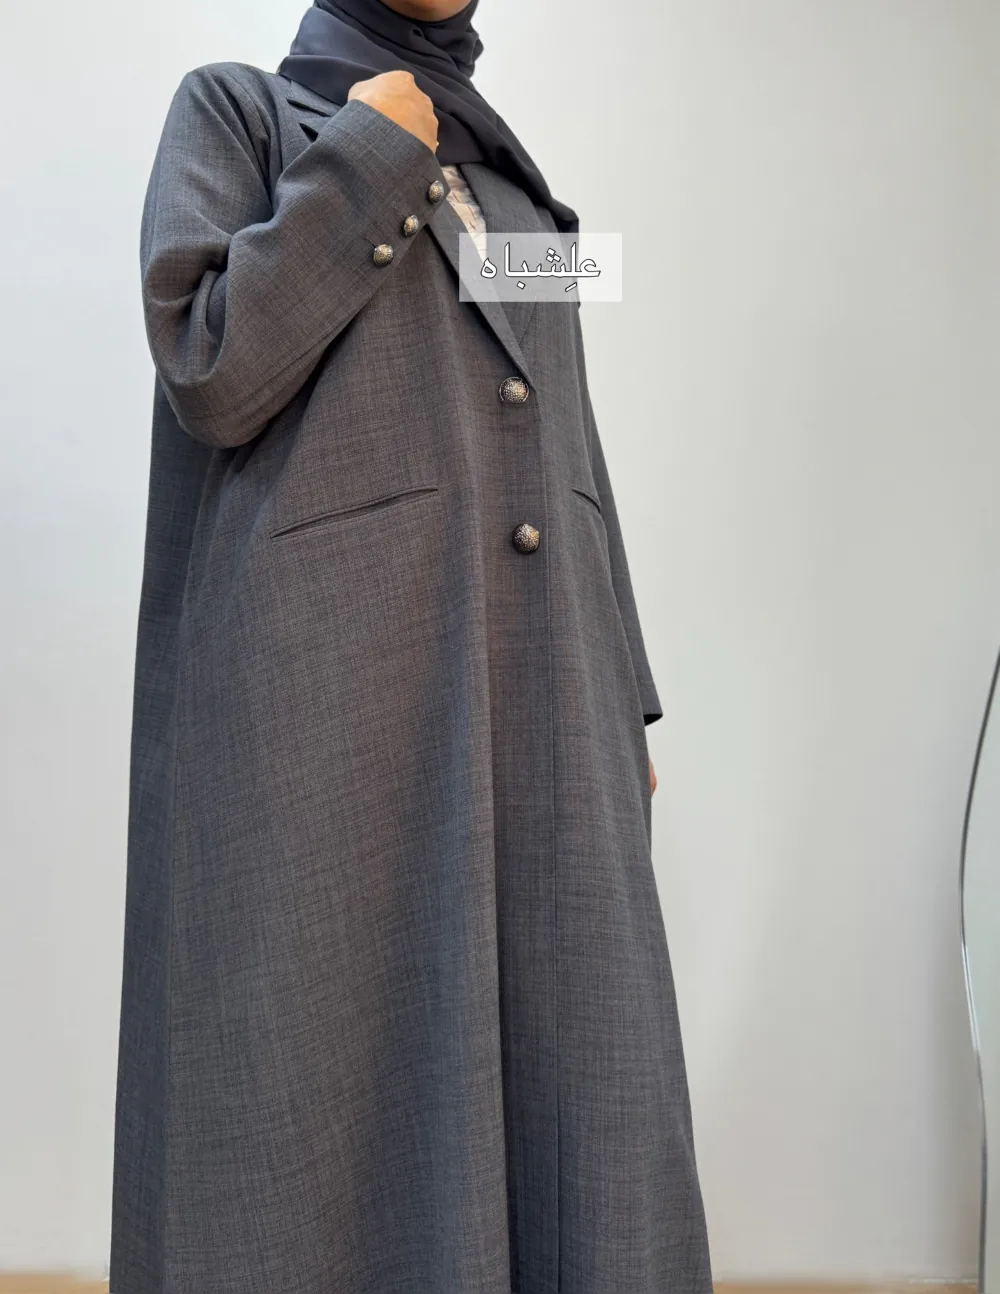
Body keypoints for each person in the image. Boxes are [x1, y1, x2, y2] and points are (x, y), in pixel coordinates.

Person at [110, 1, 713, 1290]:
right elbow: (211, 368)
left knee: (582, 1071)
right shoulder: (243, 117)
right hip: (328, 696)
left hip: (544, 688)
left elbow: (571, 434)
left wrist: (630, 695)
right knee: (324, 1077)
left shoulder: (518, 192)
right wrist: (370, 159)